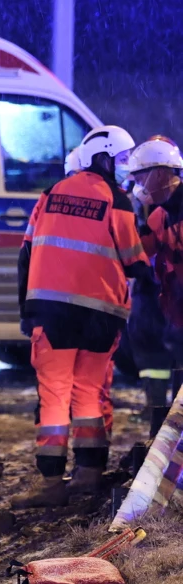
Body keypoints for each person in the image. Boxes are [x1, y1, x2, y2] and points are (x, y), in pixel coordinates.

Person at [14, 126, 152, 507]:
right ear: (103, 157)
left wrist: (25, 309)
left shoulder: (50, 193)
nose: (125, 168)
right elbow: (134, 259)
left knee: (55, 397)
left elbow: (26, 253)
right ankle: (89, 475)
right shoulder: (118, 199)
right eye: (122, 160)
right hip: (101, 315)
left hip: (51, 310)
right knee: (90, 394)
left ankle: (50, 483)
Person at [127, 137, 183, 434]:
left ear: (160, 173)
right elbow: (139, 252)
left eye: (139, 176)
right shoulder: (162, 214)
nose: (137, 184)